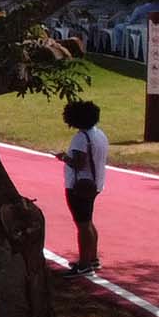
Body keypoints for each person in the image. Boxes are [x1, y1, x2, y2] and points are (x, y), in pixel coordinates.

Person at [63, 99, 109, 275]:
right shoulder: (99, 134)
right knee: (88, 222)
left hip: (79, 186)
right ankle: (92, 258)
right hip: (95, 184)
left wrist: (64, 158)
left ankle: (84, 264)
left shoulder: (80, 138)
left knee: (82, 225)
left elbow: (78, 164)